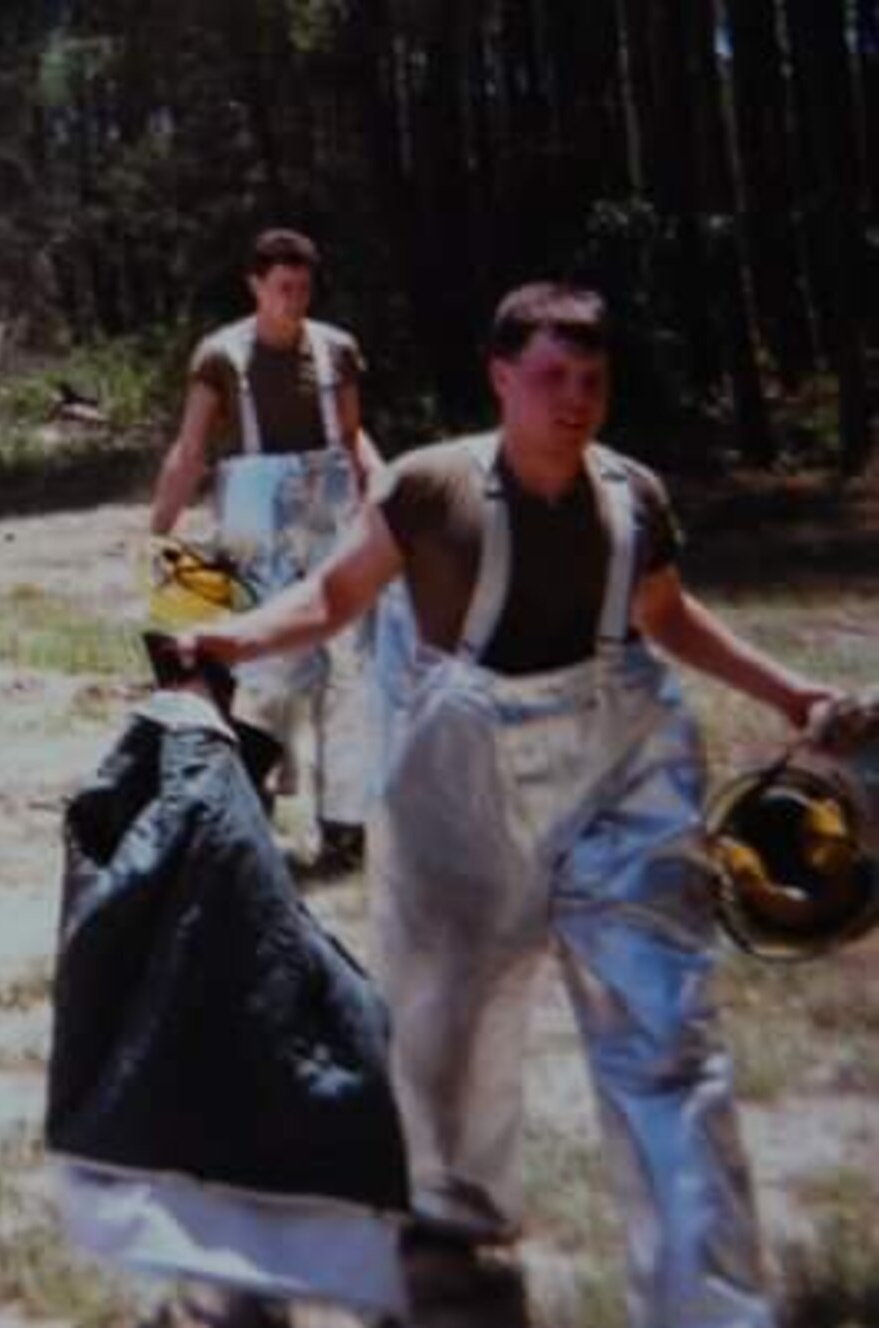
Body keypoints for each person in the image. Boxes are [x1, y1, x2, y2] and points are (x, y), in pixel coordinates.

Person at [176, 282, 838, 1328]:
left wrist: (787, 692)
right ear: (499, 378)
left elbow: (665, 615)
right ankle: (446, 1241)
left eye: (590, 378)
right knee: (442, 1023)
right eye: (549, 377)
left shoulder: (631, 498)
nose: (573, 398)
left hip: (621, 792)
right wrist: (224, 638)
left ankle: (708, 1303)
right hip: (463, 796)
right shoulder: (428, 488)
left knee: (669, 1045)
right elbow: (331, 597)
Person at [150, 227, 383, 872]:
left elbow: (356, 438)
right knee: (265, 666)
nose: (293, 300)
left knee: (355, 667)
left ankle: (345, 824)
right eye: (282, 288)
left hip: (333, 515)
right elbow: (191, 448)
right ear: (255, 285)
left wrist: (389, 500)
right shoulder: (221, 355)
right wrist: (158, 532)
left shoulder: (336, 350)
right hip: (257, 515)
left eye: (303, 288)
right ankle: (250, 810)